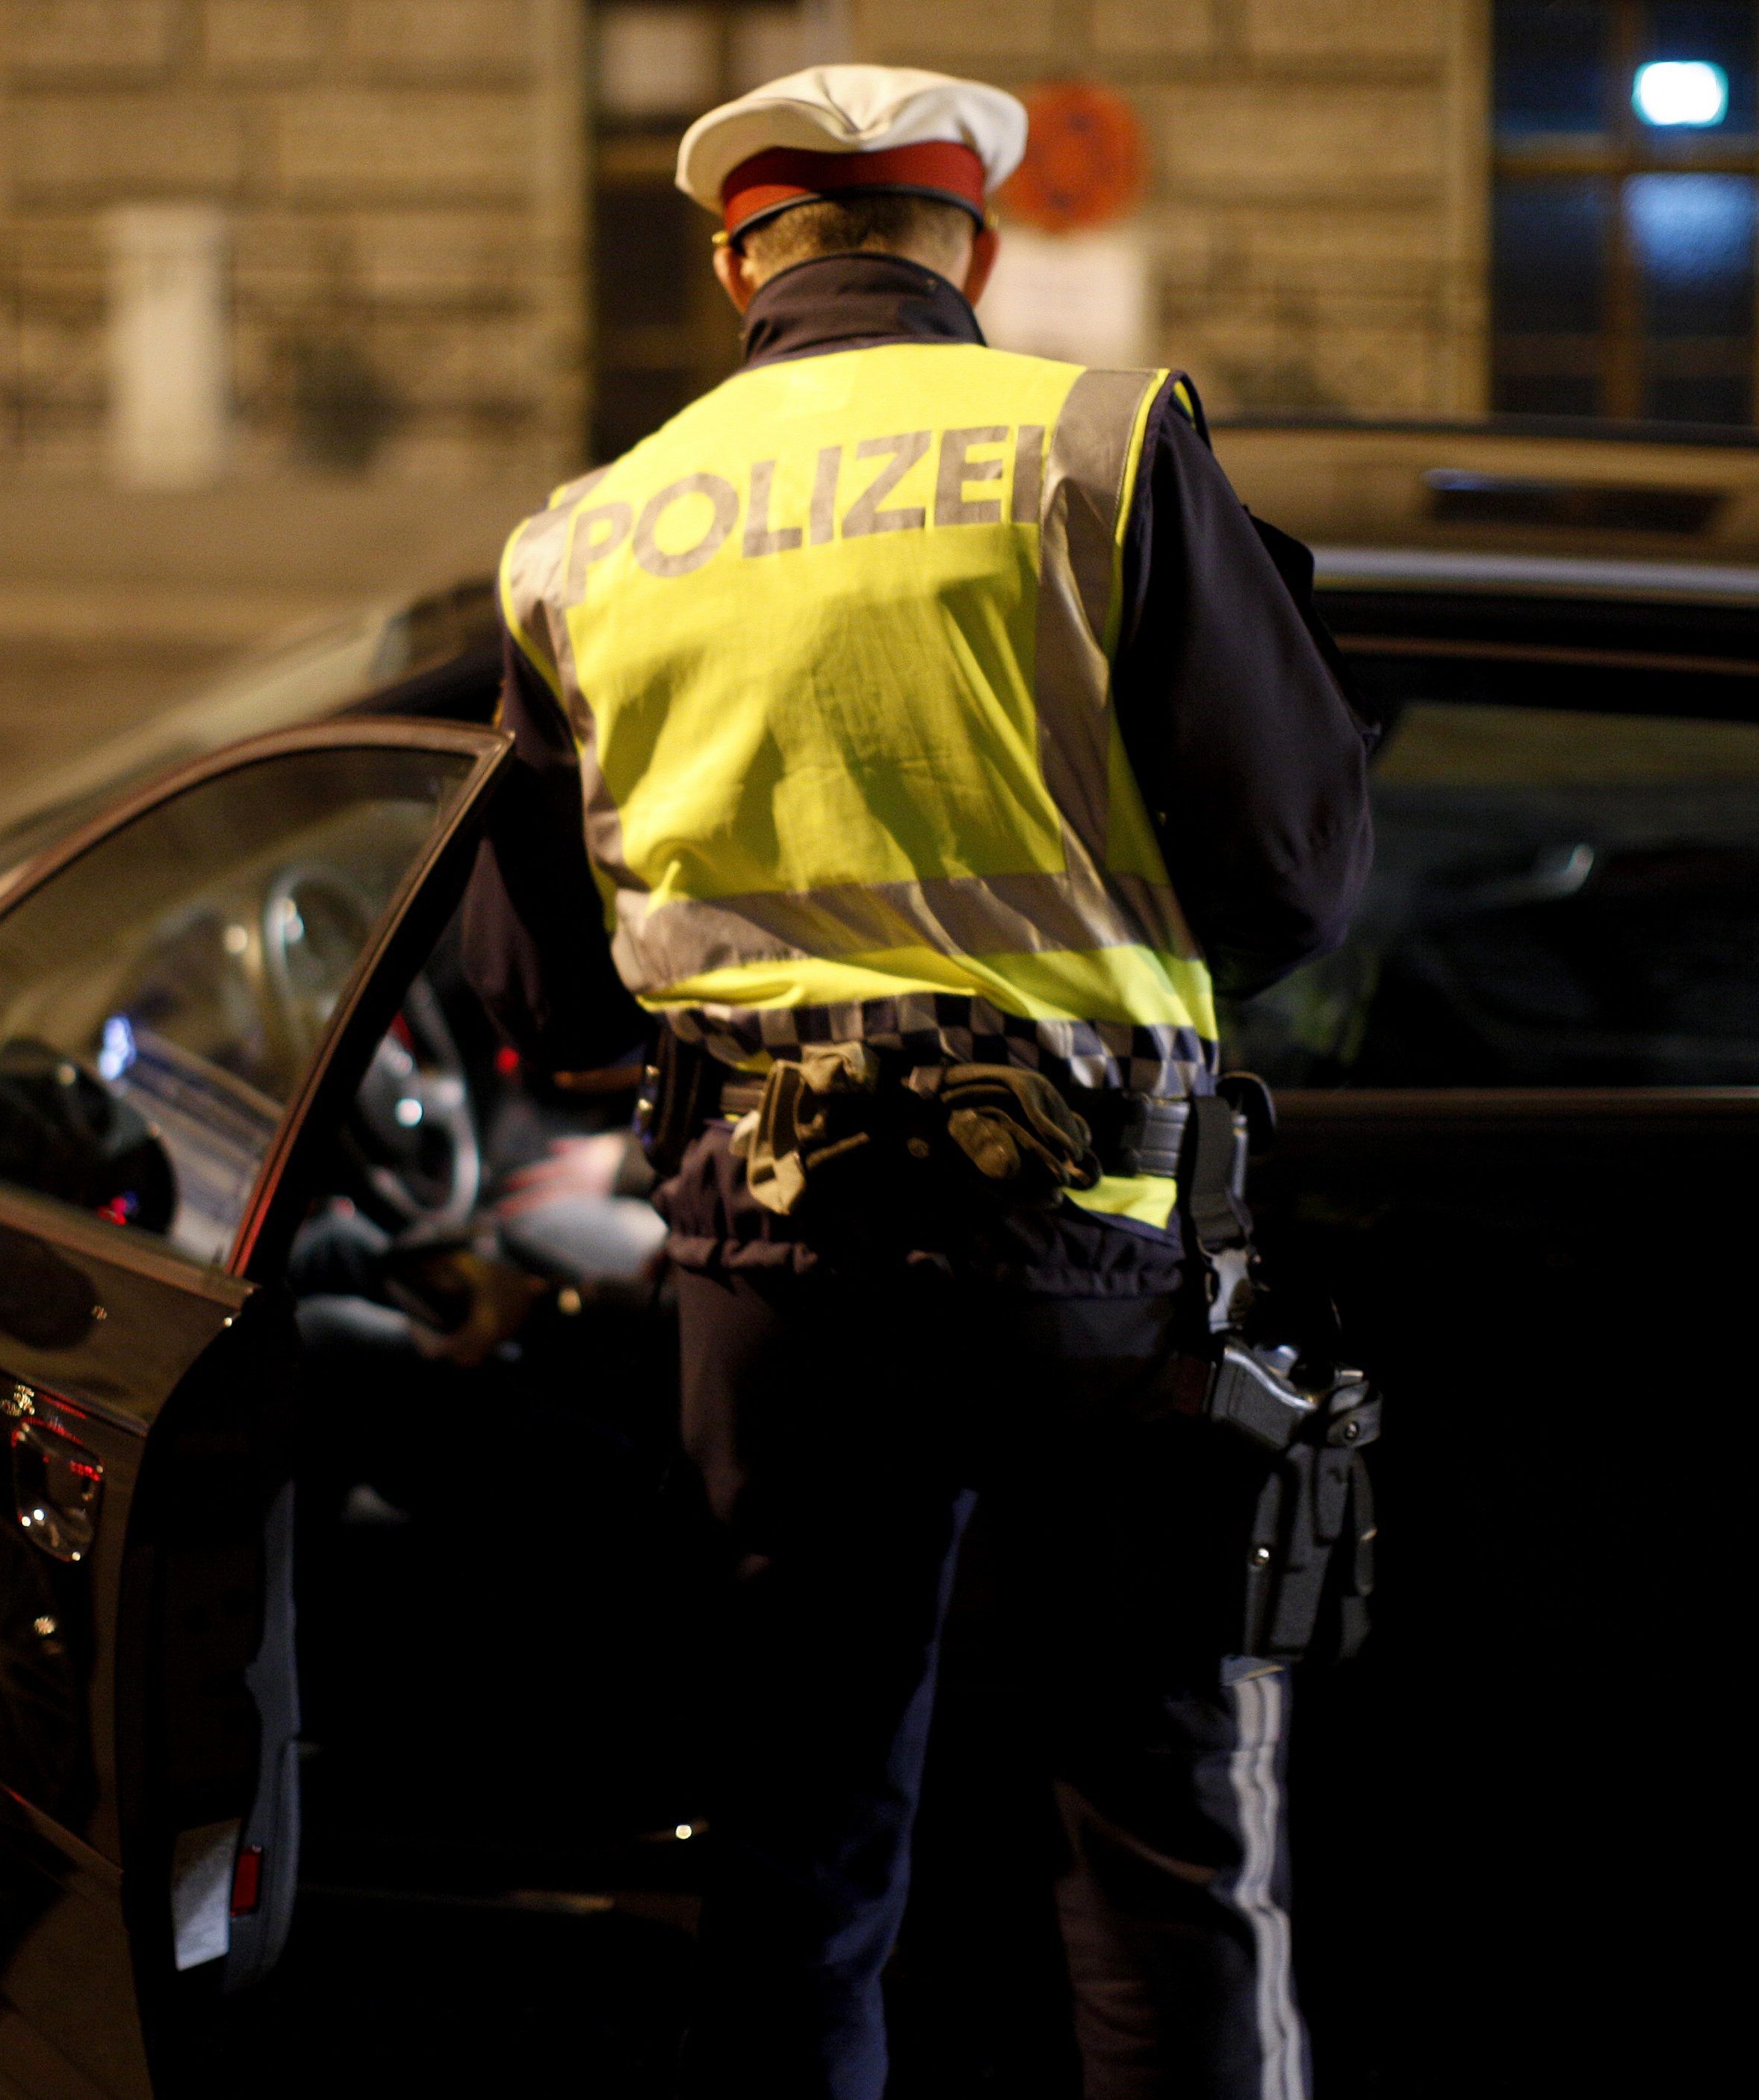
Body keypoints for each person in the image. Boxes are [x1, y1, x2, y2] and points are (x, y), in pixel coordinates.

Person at [462, 63, 1377, 2100]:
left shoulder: (585, 534)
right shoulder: (1093, 443)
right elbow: (1296, 876)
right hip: (1094, 1254)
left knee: (794, 1847)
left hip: (765, 1277)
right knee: (1160, 1846)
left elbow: (526, 982)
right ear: (969, 247)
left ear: (735, 259)